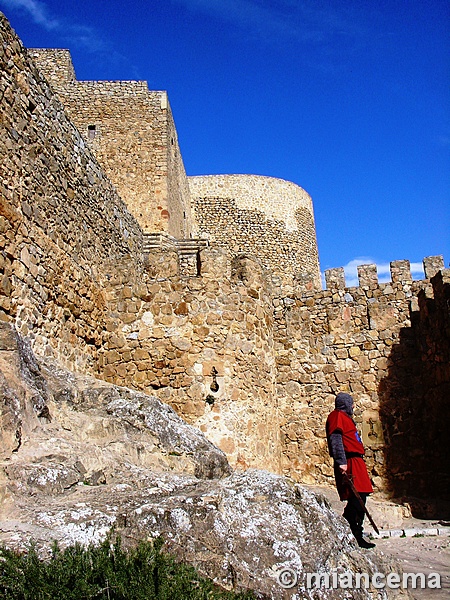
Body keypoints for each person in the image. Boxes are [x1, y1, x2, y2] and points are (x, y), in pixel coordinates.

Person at [326, 392, 376, 549]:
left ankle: (350, 530)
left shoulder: (346, 419)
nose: (353, 406)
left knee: (361, 496)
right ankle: (354, 533)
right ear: (345, 404)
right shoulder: (337, 416)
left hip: (356, 461)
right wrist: (341, 461)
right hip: (348, 461)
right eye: (351, 403)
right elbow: (336, 439)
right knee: (357, 497)